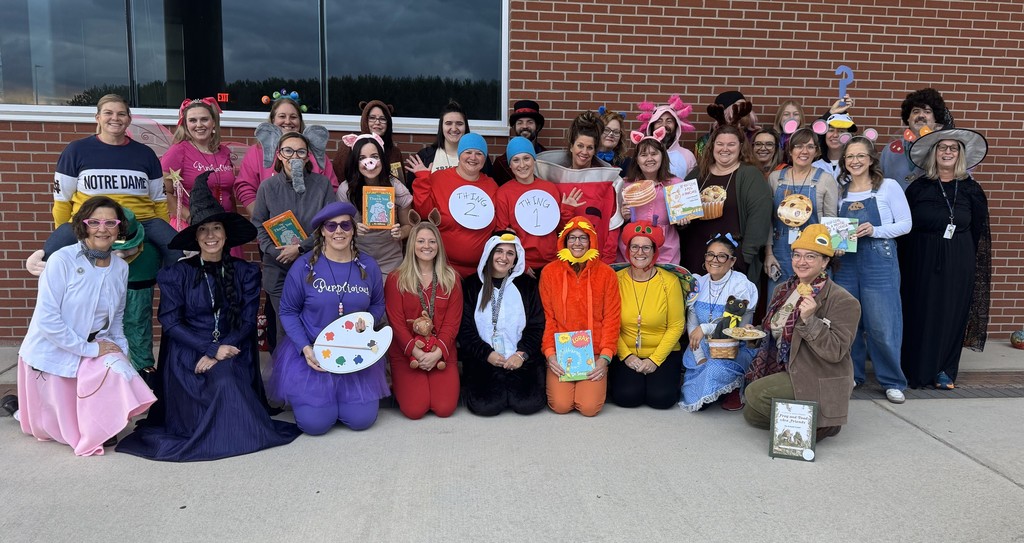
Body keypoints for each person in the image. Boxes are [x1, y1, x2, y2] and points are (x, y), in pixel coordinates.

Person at [116, 176, 300, 460]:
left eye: (216, 228)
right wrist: (209, 348)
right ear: (196, 236)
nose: (211, 235)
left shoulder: (245, 272)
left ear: (226, 235)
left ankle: (231, 432)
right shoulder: (177, 274)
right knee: (212, 384)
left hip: (233, 347)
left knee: (225, 379)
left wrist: (220, 351)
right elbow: (171, 321)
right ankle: (216, 429)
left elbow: (247, 320)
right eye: (203, 229)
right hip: (187, 350)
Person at [17, 196, 156, 456]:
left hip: (94, 342)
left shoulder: (119, 267)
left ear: (119, 227)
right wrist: (87, 350)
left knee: (118, 372)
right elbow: (47, 320)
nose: (102, 229)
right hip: (55, 348)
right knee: (57, 427)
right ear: (83, 225)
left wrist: (119, 350)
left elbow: (116, 317)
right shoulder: (62, 260)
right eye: (94, 222)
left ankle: (102, 424)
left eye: (110, 222)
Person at [266, 201, 390, 434]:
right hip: (314, 357)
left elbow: (377, 303)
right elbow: (288, 311)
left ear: (353, 229)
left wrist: (370, 320)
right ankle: (322, 403)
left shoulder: (368, 266)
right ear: (322, 231)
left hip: (354, 355)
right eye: (331, 226)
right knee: (316, 424)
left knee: (361, 420)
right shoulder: (304, 267)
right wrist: (304, 348)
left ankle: (342, 402)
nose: (339, 231)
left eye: (345, 225)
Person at [744, 224, 860, 441]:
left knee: (755, 394)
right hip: (783, 365)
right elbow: (773, 329)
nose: (801, 262)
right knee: (751, 414)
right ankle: (806, 418)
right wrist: (754, 333)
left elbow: (836, 351)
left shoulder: (843, 300)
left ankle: (821, 422)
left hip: (816, 372)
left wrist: (810, 320)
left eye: (811, 256)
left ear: (825, 261)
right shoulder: (783, 290)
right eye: (797, 255)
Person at [900, 128, 990, 390]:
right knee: (919, 310)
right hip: (920, 259)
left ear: (960, 154)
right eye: (942, 147)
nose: (947, 152)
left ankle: (944, 370)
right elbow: (905, 229)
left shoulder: (972, 190)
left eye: (953, 148)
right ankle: (915, 368)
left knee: (951, 313)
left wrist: (967, 262)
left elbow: (979, 232)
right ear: (934, 153)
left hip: (958, 260)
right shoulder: (918, 188)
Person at [46, 94, 180, 266]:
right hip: (91, 222)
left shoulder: (146, 154)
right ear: (98, 118)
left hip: (142, 221)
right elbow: (62, 200)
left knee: (178, 250)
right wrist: (65, 232)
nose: (115, 118)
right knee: (51, 254)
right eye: (108, 113)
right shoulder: (76, 151)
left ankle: (173, 291)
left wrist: (162, 234)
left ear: (129, 119)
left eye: (121, 114)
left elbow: (159, 201)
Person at [833, 136, 911, 403]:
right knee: (848, 323)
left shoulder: (887, 187)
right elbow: (833, 227)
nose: (854, 161)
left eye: (860, 156)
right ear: (844, 162)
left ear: (871, 160)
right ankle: (853, 374)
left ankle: (892, 380)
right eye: (849, 157)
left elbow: (905, 224)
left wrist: (875, 230)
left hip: (879, 258)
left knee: (883, 324)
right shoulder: (840, 190)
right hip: (846, 262)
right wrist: (836, 245)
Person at [251, 132, 337, 348]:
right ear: (279, 155)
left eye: (300, 152)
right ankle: (287, 379)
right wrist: (273, 251)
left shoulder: (322, 185)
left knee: (316, 327)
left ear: (308, 156)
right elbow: (258, 224)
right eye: (288, 151)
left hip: (315, 268)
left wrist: (300, 247)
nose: (294, 157)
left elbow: (329, 225)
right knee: (286, 330)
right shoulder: (267, 188)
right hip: (279, 269)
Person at [458, 232, 546, 416]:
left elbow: (536, 326)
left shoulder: (527, 286)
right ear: (490, 254)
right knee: (486, 406)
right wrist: (486, 354)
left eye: (510, 253)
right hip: (484, 359)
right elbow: (465, 330)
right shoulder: (472, 285)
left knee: (528, 404)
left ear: (516, 259)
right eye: (499, 251)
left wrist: (521, 355)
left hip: (521, 359)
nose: (504, 258)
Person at [540, 217, 621, 416]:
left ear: (591, 240)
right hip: (561, 352)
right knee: (561, 405)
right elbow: (548, 318)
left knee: (589, 408)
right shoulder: (550, 273)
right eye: (572, 238)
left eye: (583, 238)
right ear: (564, 241)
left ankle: (591, 384)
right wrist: (550, 354)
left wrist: (605, 358)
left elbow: (612, 318)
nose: (577, 243)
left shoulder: (607, 274)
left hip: (593, 353)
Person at [384, 221, 463, 419]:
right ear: (412, 245)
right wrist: (416, 352)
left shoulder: (451, 278)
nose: (426, 246)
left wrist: (437, 354)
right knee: (415, 410)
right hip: (408, 353)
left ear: (438, 246)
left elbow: (452, 323)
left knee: (444, 408)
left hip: (440, 351)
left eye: (431, 241)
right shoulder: (396, 279)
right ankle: (404, 386)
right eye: (420, 241)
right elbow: (396, 323)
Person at [681, 125, 772, 285]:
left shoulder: (750, 175)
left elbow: (759, 220)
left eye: (731, 144)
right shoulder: (699, 173)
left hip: (730, 260)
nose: (725, 149)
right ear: (712, 146)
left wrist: (743, 258)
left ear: (741, 147)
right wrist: (681, 223)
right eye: (720, 144)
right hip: (695, 256)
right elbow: (682, 212)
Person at [609, 222, 684, 409]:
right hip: (626, 351)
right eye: (634, 246)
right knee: (626, 397)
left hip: (662, 352)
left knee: (662, 399)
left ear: (654, 251)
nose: (639, 252)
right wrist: (626, 356)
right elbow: (607, 322)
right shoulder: (615, 280)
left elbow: (676, 326)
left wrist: (655, 360)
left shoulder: (670, 281)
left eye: (645, 247)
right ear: (627, 250)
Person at [680, 233, 759, 412]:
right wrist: (700, 356)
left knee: (714, 369)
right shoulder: (699, 282)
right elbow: (693, 325)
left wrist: (705, 327)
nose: (714, 260)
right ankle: (719, 388)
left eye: (721, 256)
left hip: (730, 348)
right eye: (710, 254)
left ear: (732, 261)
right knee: (692, 395)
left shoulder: (740, 285)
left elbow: (736, 328)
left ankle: (735, 386)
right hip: (704, 347)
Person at [535, 111, 624, 265]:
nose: (584, 152)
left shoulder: (607, 182)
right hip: (562, 264)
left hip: (596, 263)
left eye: (590, 148)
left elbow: (612, 226)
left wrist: (607, 263)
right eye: (580, 146)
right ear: (571, 146)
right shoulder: (552, 180)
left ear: (595, 151)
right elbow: (549, 229)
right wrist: (566, 210)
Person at [408, 132, 499, 278]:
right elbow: (424, 213)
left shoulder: (491, 186)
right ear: (459, 154)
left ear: (485, 158)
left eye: (479, 153)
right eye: (468, 152)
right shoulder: (439, 178)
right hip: (442, 268)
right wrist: (423, 179)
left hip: (480, 271)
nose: (473, 157)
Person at [764, 128, 839, 296]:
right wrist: (768, 254)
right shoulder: (775, 178)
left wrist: (829, 255)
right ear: (790, 150)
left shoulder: (826, 180)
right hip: (780, 253)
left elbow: (831, 221)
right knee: (778, 303)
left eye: (810, 147)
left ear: (816, 151)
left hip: (814, 253)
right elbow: (768, 220)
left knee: (811, 305)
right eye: (798, 146)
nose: (804, 151)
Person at [236, 95, 339, 215]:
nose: (288, 121)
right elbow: (245, 188)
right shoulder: (257, 152)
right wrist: (264, 220)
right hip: (271, 226)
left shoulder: (315, 154)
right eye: (282, 116)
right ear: (273, 120)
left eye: (293, 117)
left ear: (300, 122)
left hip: (313, 227)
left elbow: (331, 190)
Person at [494, 137, 572, 273]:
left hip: (552, 262)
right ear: (510, 165)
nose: (522, 165)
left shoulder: (550, 188)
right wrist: (520, 264)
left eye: (526, 158)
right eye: (516, 160)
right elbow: (502, 234)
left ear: (534, 160)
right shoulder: (503, 193)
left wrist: (567, 209)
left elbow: (559, 228)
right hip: (522, 264)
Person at [162, 98, 237, 238]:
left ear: (213, 122)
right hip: (192, 227)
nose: (199, 125)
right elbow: (165, 193)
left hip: (224, 227)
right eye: (192, 120)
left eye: (204, 119)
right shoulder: (177, 152)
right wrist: (192, 218)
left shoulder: (224, 152)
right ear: (185, 124)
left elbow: (229, 194)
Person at [338, 133, 412, 274]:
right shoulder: (345, 190)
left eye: (375, 157)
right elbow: (338, 228)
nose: (369, 162)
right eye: (362, 158)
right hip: (356, 258)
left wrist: (401, 233)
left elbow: (409, 226)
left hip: (391, 260)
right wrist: (352, 229)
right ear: (355, 161)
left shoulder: (395, 186)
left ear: (382, 160)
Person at [617, 130, 685, 264]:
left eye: (654, 154)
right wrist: (623, 218)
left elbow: (683, 221)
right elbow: (615, 222)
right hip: (632, 250)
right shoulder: (625, 185)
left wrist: (683, 221)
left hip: (666, 250)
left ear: (662, 156)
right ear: (637, 159)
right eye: (643, 155)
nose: (649, 159)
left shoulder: (676, 184)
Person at [880, 87, 953, 189]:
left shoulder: (945, 150)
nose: (921, 115)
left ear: (935, 118)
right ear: (908, 118)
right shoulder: (889, 150)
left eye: (927, 112)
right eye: (915, 111)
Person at [405, 100, 493, 183]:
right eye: (448, 123)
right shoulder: (424, 156)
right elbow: (413, 192)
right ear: (441, 127)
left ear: (466, 126)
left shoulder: (479, 157)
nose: (454, 129)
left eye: (459, 123)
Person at [332, 100, 405, 187]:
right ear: (364, 120)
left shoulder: (394, 152)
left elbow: (401, 183)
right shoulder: (349, 147)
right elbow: (338, 178)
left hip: (387, 198)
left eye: (382, 119)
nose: (377, 122)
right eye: (372, 118)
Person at [636, 94, 697, 178]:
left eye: (669, 121)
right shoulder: (642, 153)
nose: (664, 125)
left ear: (676, 126)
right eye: (659, 121)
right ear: (652, 126)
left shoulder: (687, 156)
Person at [492, 100, 548, 185]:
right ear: (514, 127)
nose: (525, 126)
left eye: (530, 122)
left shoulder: (548, 159)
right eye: (520, 123)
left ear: (538, 127)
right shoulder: (501, 163)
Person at [695, 91, 759, 158]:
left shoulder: (756, 137)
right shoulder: (705, 141)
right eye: (739, 105)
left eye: (745, 105)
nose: (744, 109)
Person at [597, 108, 631, 176]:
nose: (611, 134)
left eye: (616, 132)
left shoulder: (626, 163)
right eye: (606, 130)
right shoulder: (587, 157)